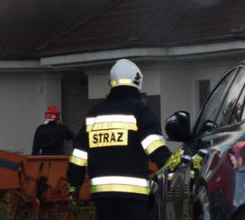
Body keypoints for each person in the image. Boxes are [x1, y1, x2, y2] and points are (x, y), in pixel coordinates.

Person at [67, 59, 170, 220]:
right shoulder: (139, 110)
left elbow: (79, 154)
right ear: (137, 80)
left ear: (111, 82)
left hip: (102, 195)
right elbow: (154, 146)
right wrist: (170, 168)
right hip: (133, 195)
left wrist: (74, 184)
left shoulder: (95, 114)